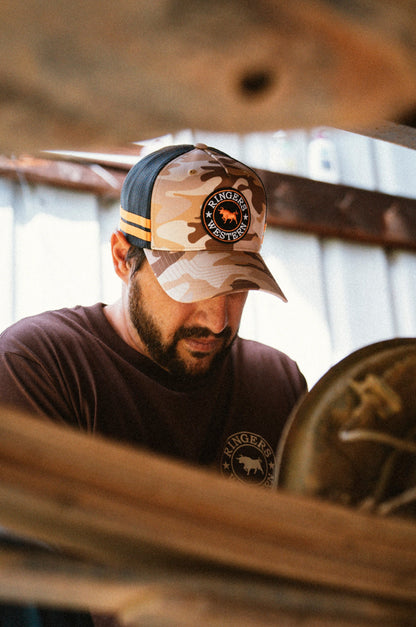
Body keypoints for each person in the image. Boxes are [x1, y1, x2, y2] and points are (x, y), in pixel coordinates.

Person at [0, 143, 307, 626]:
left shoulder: (279, 383)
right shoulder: (40, 366)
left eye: (236, 285)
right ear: (125, 258)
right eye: (191, 285)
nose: (218, 319)